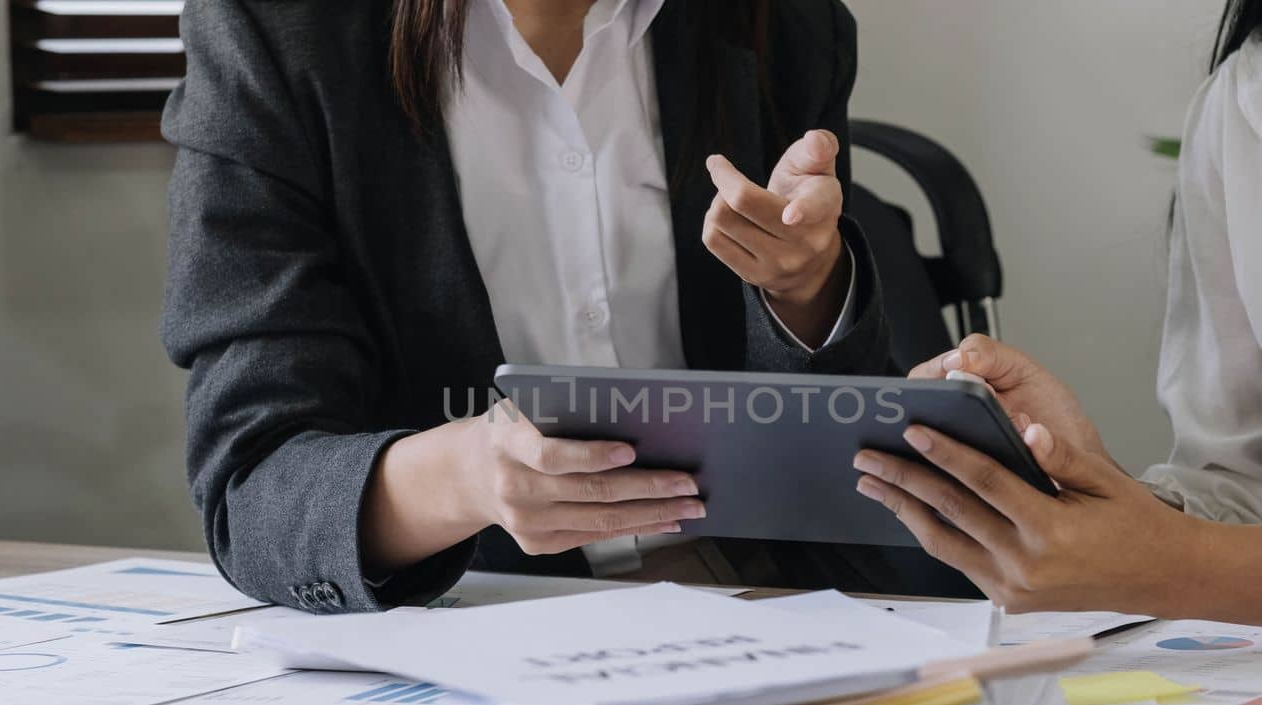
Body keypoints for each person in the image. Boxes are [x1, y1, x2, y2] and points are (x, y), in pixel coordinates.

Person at [162, 0, 936, 613]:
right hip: (475, 605)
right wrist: (466, 478)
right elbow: (253, 489)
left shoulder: (786, 22)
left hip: (764, 591)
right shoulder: (271, 30)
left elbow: (837, 439)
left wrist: (804, 290)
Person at [854, 0, 1262, 635]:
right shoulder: (1253, 103)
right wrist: (1094, 492)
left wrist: (1171, 563)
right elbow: (1250, 482)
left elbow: (1193, 561)